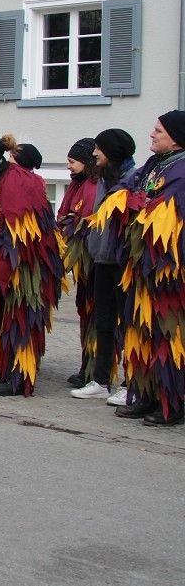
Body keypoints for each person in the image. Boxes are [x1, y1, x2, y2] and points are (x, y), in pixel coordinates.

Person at [99, 113, 185, 425]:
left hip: (166, 273)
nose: (151, 135)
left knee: (165, 335)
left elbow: (167, 211)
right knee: (141, 333)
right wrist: (132, 198)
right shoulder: (154, 163)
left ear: (175, 137)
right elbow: (126, 187)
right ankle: (145, 394)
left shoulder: (181, 170)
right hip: (138, 268)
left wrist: (138, 202)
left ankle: (171, 402)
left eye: (158, 130)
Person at [0, 134, 63, 396]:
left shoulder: (17, 181)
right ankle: (1, 370)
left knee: (22, 321)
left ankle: (20, 378)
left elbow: (16, 233)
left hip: (26, 266)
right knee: (2, 320)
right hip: (3, 260)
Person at [77, 130, 138, 405]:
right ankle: (101, 380)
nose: (94, 153)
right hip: (102, 259)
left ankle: (130, 383)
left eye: (98, 149)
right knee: (103, 322)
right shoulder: (103, 177)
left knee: (128, 324)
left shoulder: (133, 179)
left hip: (122, 263)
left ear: (111, 151)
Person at [56, 138, 102, 393]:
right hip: (81, 262)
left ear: (86, 162)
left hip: (91, 259)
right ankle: (88, 364)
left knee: (95, 313)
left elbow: (85, 220)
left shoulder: (93, 186)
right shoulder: (78, 184)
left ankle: (95, 367)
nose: (68, 167)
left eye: (72, 162)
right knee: (85, 311)